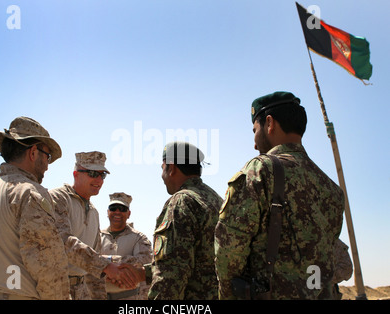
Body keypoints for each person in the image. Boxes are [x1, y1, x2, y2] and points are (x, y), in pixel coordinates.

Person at [215, 91, 345, 300]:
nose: (255, 144)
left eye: (255, 130)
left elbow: (229, 253)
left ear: (270, 123)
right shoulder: (331, 189)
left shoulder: (260, 170)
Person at [0, 116, 70, 300]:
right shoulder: (29, 193)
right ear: (33, 152)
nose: (47, 165)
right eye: (47, 156)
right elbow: (48, 268)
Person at [120, 142, 223, 300]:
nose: (162, 176)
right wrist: (143, 273)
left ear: (171, 167)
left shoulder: (182, 201)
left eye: (162, 168)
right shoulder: (215, 199)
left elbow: (172, 273)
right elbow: (198, 260)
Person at [50, 152, 136, 300]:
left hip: (82, 289)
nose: (98, 180)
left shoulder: (94, 211)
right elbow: (63, 241)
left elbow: (94, 260)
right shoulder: (58, 198)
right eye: (92, 173)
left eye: (102, 175)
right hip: (56, 287)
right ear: (76, 174)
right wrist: (106, 266)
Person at [89, 192, 153, 300]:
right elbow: (88, 260)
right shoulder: (96, 236)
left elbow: (143, 262)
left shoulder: (139, 238)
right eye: (113, 208)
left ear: (128, 214)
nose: (117, 212)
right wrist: (109, 267)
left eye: (122, 209)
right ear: (108, 212)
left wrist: (107, 263)